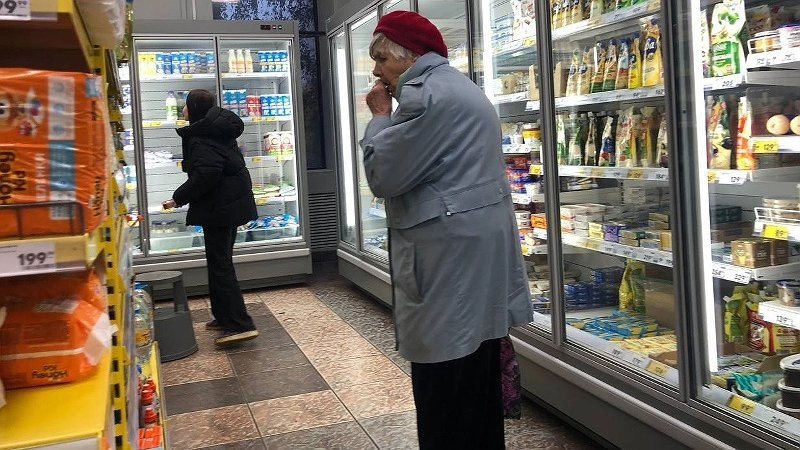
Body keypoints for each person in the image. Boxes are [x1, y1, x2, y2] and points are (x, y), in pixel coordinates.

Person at [360, 10, 533, 450]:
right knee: (476, 376)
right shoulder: (457, 86)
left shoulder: (424, 98)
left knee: (444, 382)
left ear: (411, 55)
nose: (377, 71)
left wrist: (379, 117)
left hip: (447, 259)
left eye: (382, 58)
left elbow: (383, 175)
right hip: (471, 251)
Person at [163, 89, 259, 346]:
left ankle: (240, 324)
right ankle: (223, 316)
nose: (183, 110)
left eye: (186, 106)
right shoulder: (217, 128)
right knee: (219, 261)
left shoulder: (201, 136)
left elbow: (207, 174)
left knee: (220, 265)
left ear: (193, 109)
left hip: (221, 206)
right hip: (229, 202)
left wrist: (178, 197)